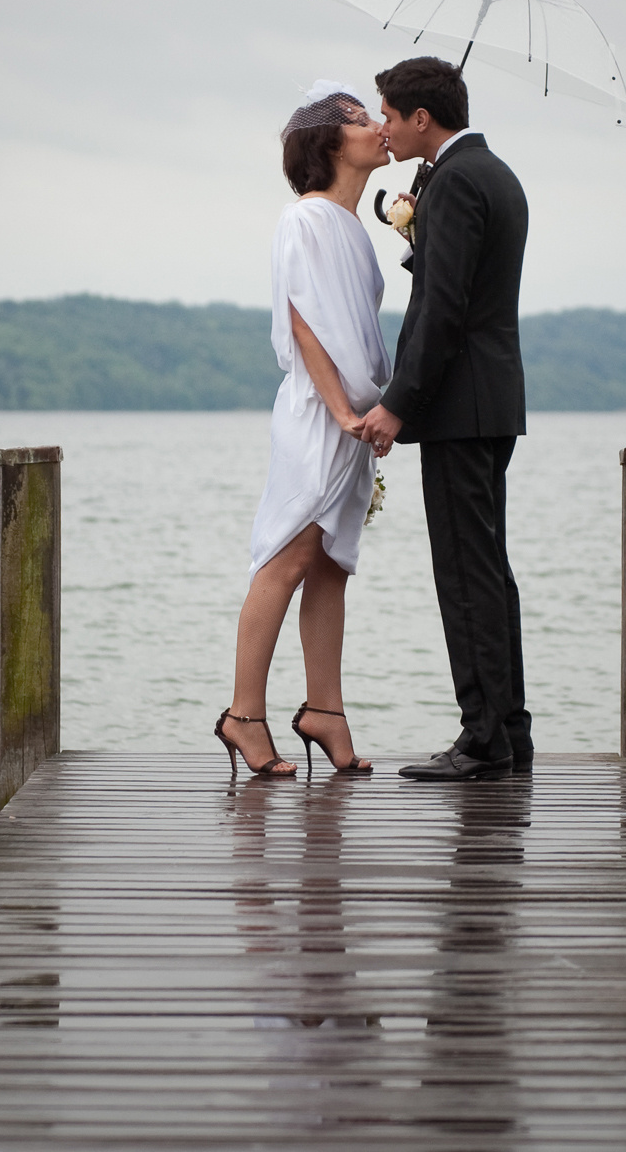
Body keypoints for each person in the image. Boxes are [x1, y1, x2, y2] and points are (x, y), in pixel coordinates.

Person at [354, 56, 532, 781]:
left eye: (390, 115)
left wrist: (398, 402)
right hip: (493, 400)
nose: (384, 128)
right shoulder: (491, 173)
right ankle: (509, 730)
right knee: (489, 569)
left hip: (459, 404)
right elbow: (454, 279)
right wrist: (418, 228)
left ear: (422, 117)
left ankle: (483, 737)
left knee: (465, 571)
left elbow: (443, 308)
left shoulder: (457, 180)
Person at [218, 81, 395, 780]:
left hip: (350, 421)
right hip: (318, 416)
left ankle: (325, 709)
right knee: (287, 554)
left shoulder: (354, 227)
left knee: (331, 563)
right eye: (361, 119)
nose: (378, 126)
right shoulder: (305, 219)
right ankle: (244, 714)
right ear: (328, 142)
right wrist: (344, 411)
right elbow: (302, 320)